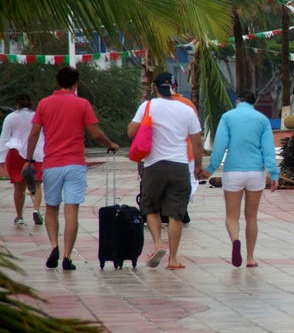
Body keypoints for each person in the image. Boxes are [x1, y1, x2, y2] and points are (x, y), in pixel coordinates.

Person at [25, 66, 120, 271]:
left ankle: (53, 247)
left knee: (51, 207)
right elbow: (95, 133)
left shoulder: (44, 104)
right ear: (76, 83)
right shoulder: (82, 104)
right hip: (75, 164)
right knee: (72, 210)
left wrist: (29, 158)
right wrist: (110, 144)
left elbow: (34, 133)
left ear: (57, 81)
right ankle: (67, 256)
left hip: (52, 164)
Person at [129, 72, 207, 270]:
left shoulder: (147, 106)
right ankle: (173, 259)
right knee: (176, 214)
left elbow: (131, 132)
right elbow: (197, 143)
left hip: (153, 165)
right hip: (179, 166)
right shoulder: (186, 109)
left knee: (151, 207)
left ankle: (157, 244)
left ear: (156, 88)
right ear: (174, 87)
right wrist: (198, 166)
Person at [206, 89, 279, 268]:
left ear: (237, 100)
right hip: (256, 172)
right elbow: (269, 151)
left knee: (232, 216)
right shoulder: (262, 120)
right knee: (251, 216)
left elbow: (220, 147)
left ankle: (235, 241)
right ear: (253, 102)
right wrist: (274, 174)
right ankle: (251, 258)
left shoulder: (228, 117)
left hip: (233, 172)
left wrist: (209, 169)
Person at [0, 94, 45, 226]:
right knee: (36, 184)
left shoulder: (11, 117)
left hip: (15, 154)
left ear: (17, 104)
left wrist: (1, 158)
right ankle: (36, 209)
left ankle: (19, 216)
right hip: (36, 153)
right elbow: (44, 135)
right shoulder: (38, 116)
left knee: (19, 186)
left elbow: (4, 138)